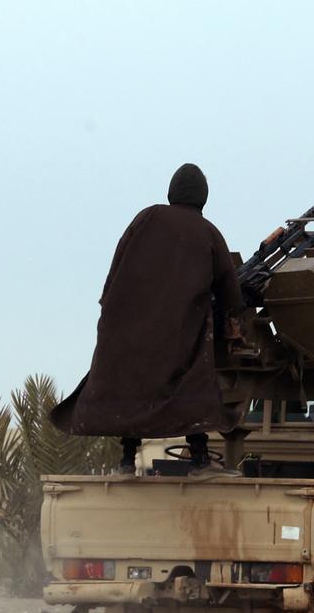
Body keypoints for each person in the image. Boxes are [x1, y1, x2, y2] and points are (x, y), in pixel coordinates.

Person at [51, 163, 245, 475]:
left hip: (126, 330)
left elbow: (114, 274)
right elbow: (230, 293)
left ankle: (127, 461)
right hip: (178, 336)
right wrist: (235, 325)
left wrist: (113, 316)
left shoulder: (145, 218)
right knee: (194, 385)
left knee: (130, 387)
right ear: (203, 198)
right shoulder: (208, 233)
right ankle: (199, 460)